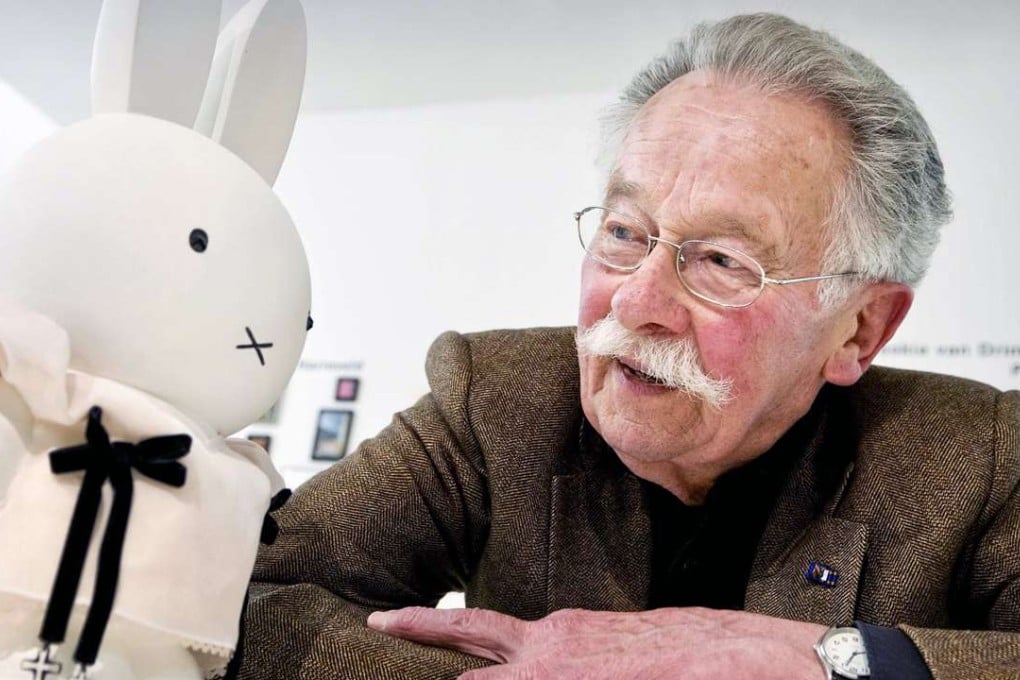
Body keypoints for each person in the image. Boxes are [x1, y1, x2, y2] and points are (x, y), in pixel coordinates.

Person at [236, 13, 1019, 680]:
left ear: (859, 329)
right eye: (623, 234)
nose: (637, 301)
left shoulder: (977, 459)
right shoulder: (496, 400)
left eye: (720, 261)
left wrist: (816, 659)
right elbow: (263, 602)